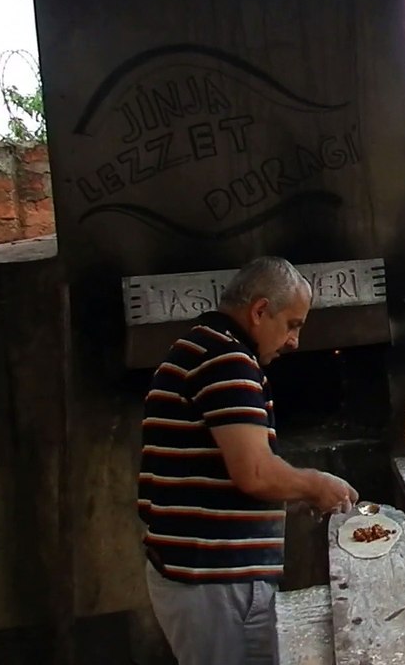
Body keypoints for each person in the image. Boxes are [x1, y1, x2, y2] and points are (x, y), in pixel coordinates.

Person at [137, 256, 359, 665]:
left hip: (210, 577)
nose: (294, 341)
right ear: (259, 311)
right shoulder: (226, 360)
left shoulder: (203, 347)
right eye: (292, 324)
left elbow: (216, 472)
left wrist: (293, 494)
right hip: (213, 581)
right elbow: (254, 473)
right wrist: (316, 485)